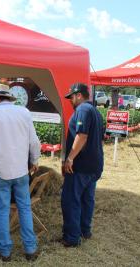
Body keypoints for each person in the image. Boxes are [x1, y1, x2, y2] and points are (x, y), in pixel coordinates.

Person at [0, 83, 41, 262]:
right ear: (9, 98)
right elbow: (34, 141)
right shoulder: (24, 112)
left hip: (0, 172)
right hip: (21, 171)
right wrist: (35, 160)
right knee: (24, 208)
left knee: (2, 211)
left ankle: (4, 251)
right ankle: (30, 249)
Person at [61, 83, 104, 247]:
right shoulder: (96, 112)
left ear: (78, 95)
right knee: (87, 199)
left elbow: (82, 135)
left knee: (70, 200)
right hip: (94, 165)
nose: (70, 101)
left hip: (80, 165)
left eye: (71, 97)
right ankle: (84, 230)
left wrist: (70, 158)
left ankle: (72, 238)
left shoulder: (83, 110)